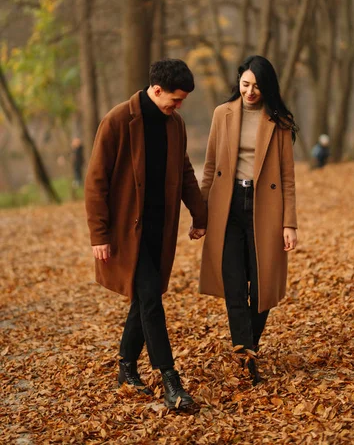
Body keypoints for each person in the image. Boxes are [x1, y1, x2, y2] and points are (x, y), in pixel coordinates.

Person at [84, 59, 207, 411]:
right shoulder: (118, 120)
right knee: (151, 299)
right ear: (155, 90)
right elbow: (96, 182)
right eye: (175, 99)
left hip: (159, 231)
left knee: (144, 299)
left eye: (182, 101)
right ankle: (171, 381)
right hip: (126, 235)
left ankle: (126, 366)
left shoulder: (175, 124)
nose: (178, 106)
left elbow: (184, 171)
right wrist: (99, 235)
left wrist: (200, 214)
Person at [199, 55, 298, 385]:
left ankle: (249, 346)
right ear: (238, 82)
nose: (250, 91)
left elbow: (287, 178)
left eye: (256, 86)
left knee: (263, 284)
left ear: (266, 86)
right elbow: (210, 168)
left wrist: (289, 223)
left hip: (264, 208)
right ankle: (245, 357)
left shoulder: (278, 122)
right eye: (245, 84)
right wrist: (200, 215)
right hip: (227, 207)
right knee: (233, 284)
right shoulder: (221, 114)